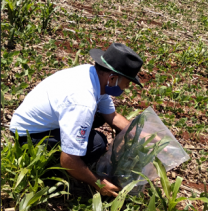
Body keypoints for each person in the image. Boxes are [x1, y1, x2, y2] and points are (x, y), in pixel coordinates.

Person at [10, 43, 143, 197]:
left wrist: (141, 135)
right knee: (97, 144)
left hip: (35, 122)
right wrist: (98, 183)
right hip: (27, 137)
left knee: (98, 118)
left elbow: (112, 117)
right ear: (112, 78)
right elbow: (68, 160)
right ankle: (51, 177)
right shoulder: (83, 101)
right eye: (127, 83)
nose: (126, 87)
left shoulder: (94, 75)